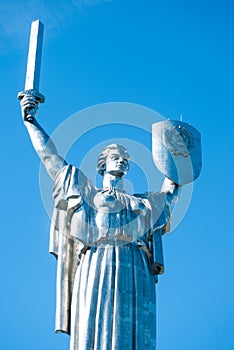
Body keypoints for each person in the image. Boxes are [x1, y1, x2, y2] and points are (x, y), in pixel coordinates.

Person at [20, 95, 180, 350]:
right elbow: (51, 160)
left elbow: (171, 191)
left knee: (134, 333)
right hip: (97, 260)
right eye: (117, 156)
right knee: (94, 328)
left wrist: (178, 154)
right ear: (102, 164)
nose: (123, 160)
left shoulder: (142, 203)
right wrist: (31, 122)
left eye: (126, 158)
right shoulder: (87, 193)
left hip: (134, 264)